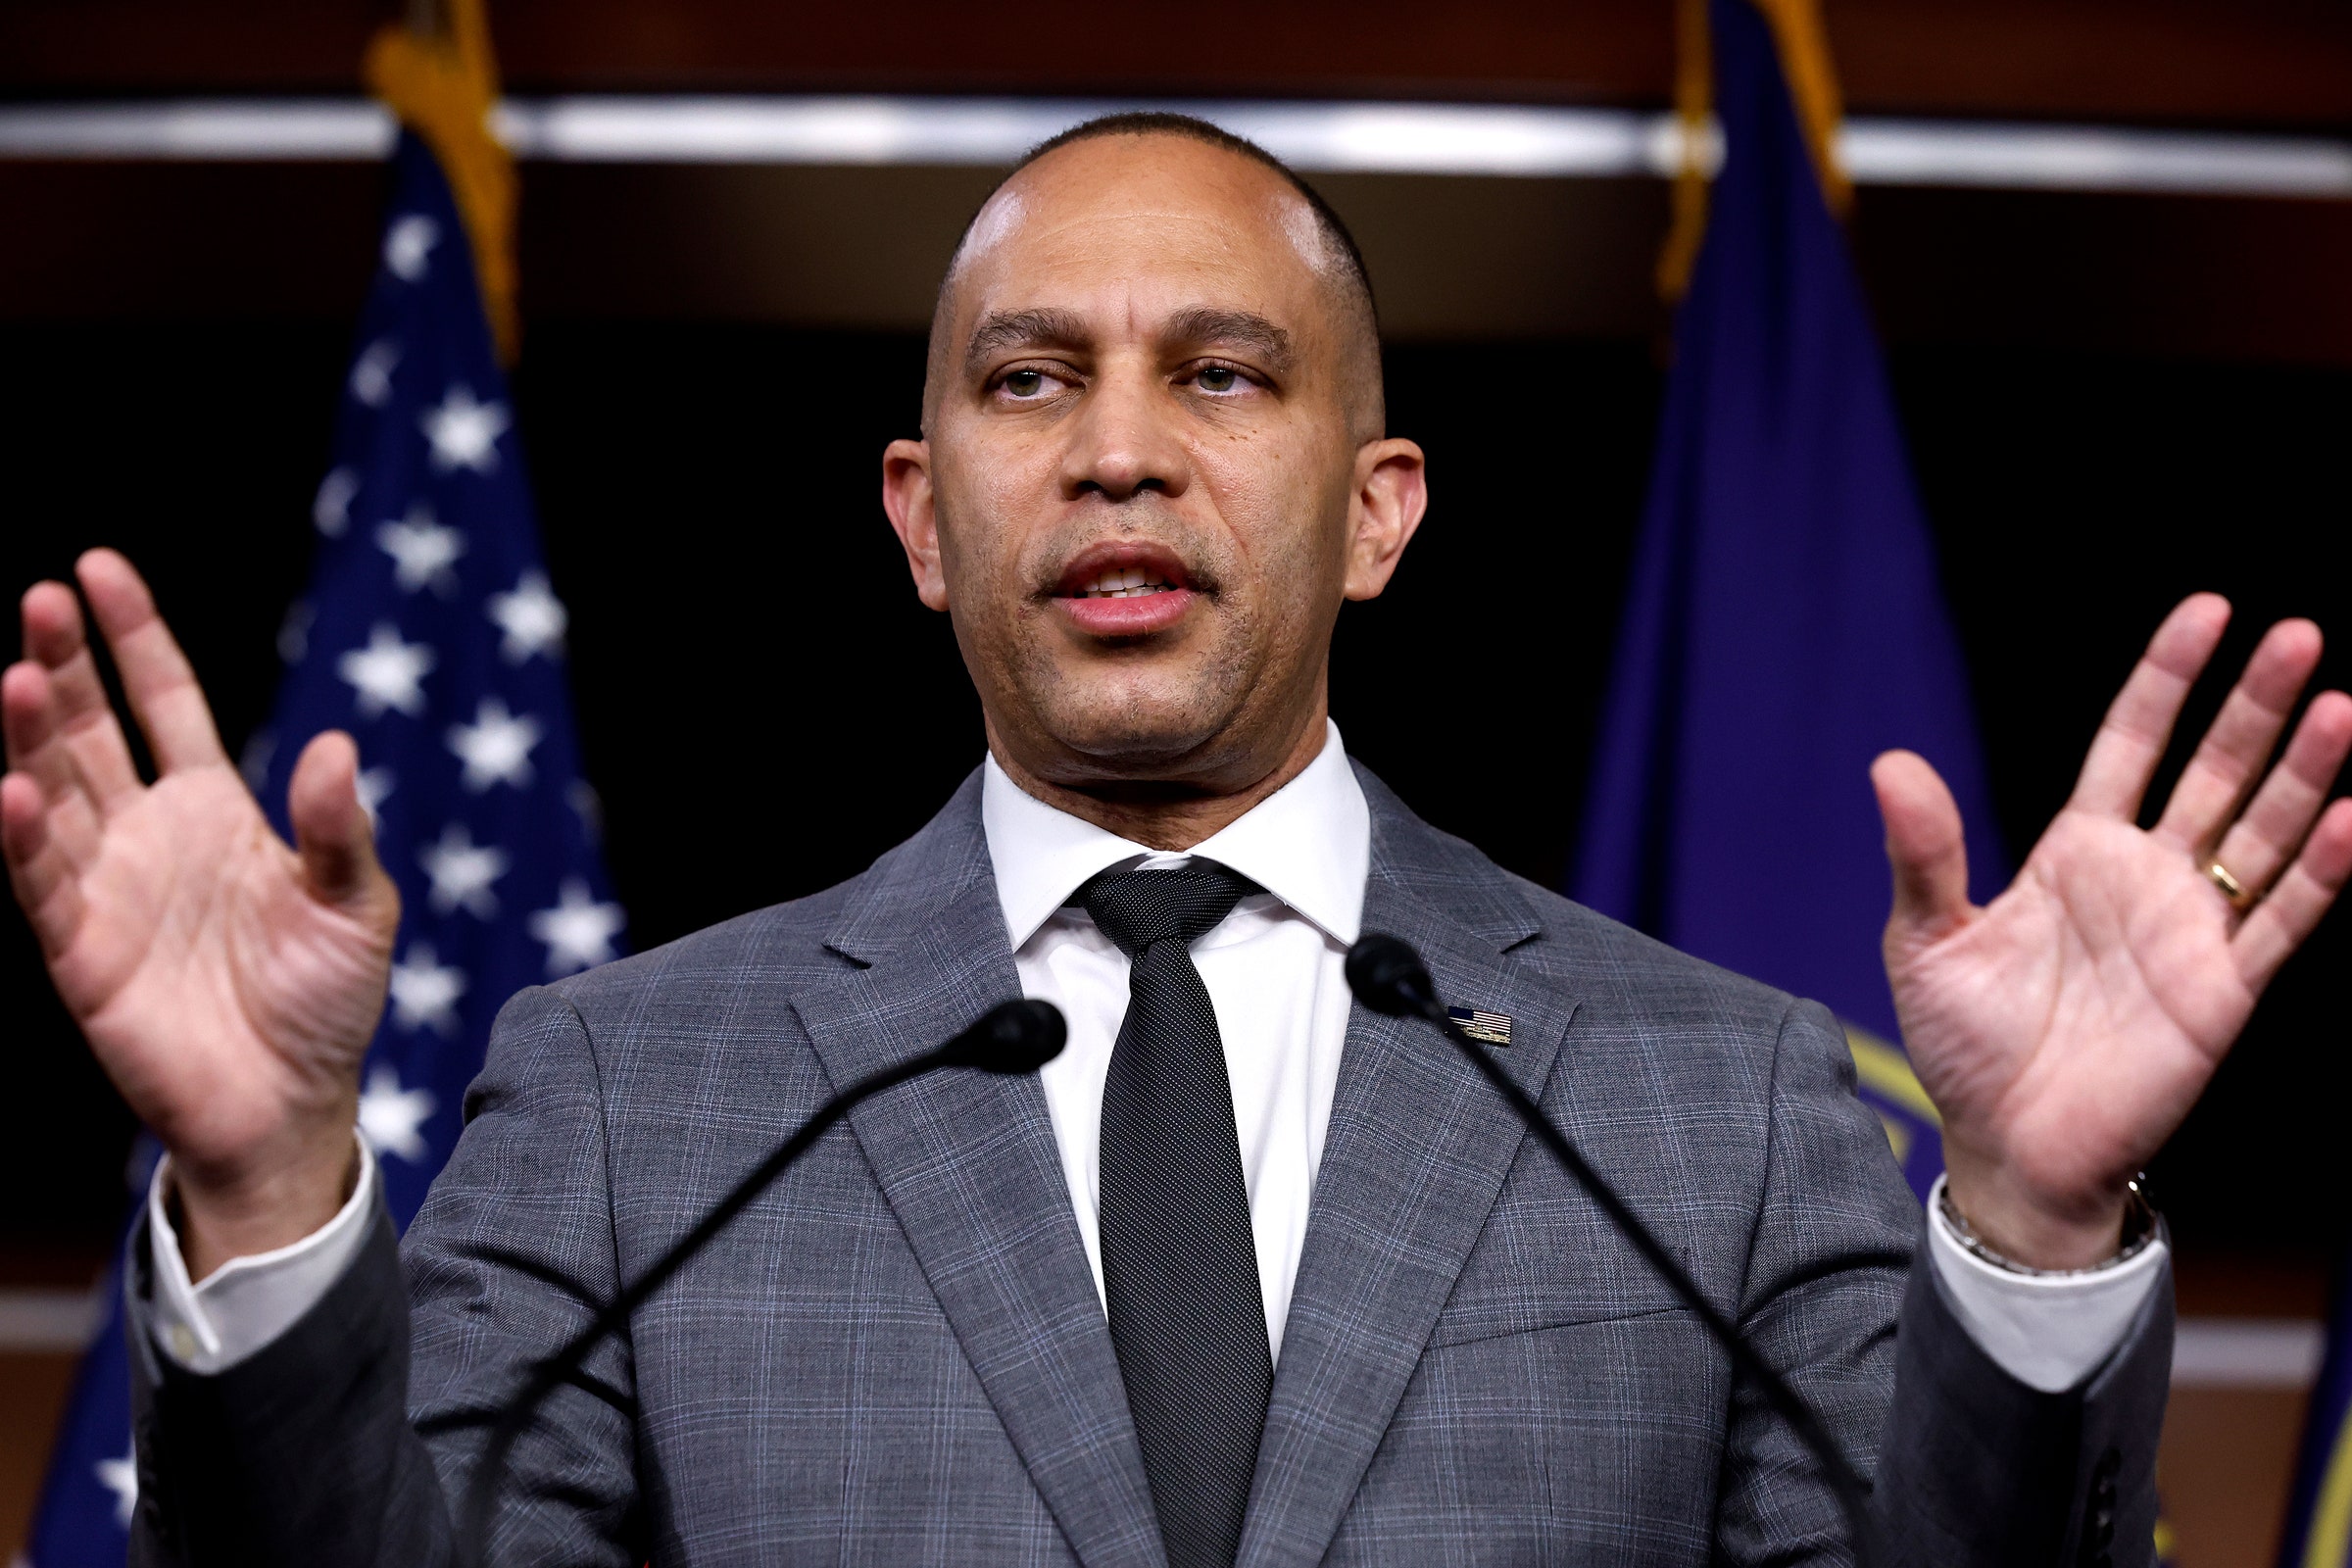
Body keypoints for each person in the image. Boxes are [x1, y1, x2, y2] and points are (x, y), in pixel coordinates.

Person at [5, 113, 2349, 1568]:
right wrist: (267, 1194)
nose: (1119, 452)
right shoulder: (636, 1090)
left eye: (1222, 374)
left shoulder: (1712, 1096)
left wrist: (2033, 1226)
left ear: (1376, 509)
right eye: (1032, 380)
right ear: (924, 520)